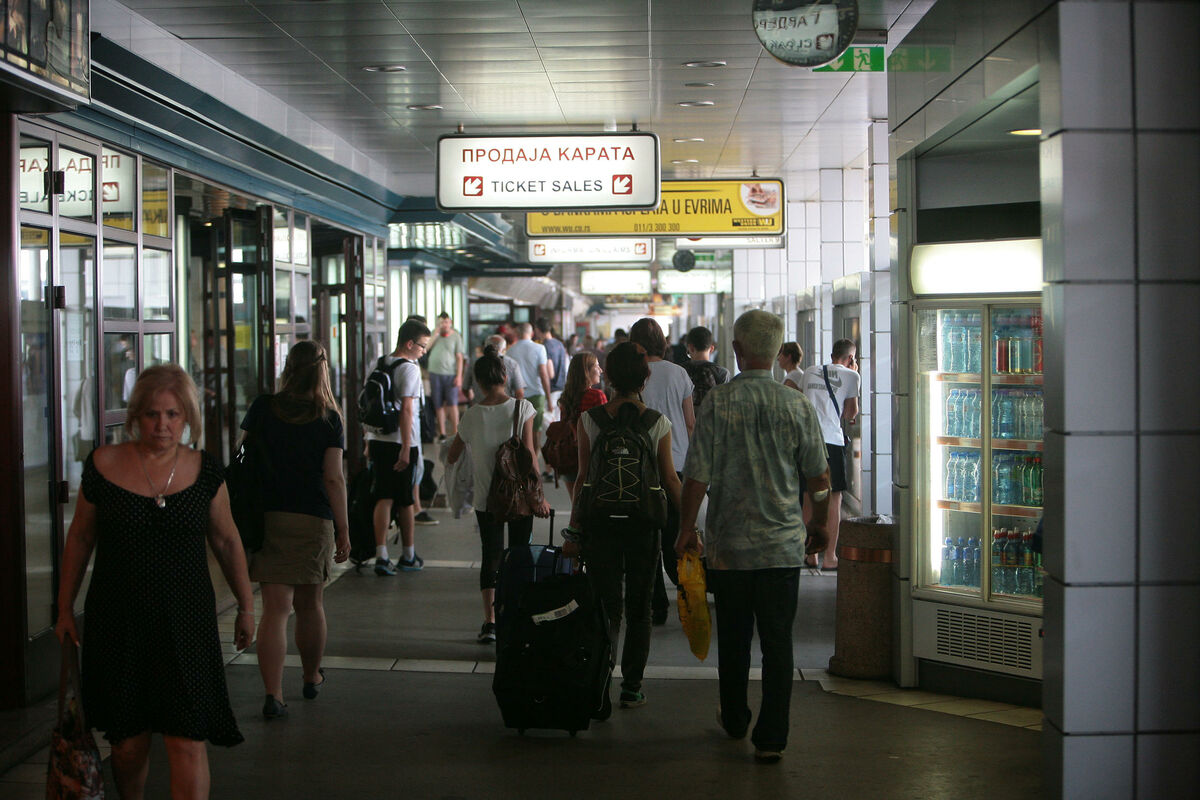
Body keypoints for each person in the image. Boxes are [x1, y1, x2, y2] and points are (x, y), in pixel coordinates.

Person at [55, 364, 255, 799]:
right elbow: (80, 538)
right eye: (152, 414)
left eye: (172, 414)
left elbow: (227, 540)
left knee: (187, 741)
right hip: (119, 623)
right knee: (127, 746)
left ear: (187, 418)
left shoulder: (205, 471)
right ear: (135, 416)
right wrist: (64, 608)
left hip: (186, 625)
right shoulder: (103, 466)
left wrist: (246, 605)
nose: (162, 424)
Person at [675, 310, 831, 765]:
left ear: (737, 350)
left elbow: (697, 477)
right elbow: (819, 478)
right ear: (777, 350)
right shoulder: (796, 404)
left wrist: (686, 529)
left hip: (730, 549)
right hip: (782, 547)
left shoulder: (718, 402)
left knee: (735, 639)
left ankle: (736, 718)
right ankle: (772, 737)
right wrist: (820, 522)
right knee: (778, 642)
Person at [563, 342, 682, 710]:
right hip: (644, 524)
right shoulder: (657, 422)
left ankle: (600, 683)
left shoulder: (590, 420)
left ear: (610, 378)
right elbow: (669, 480)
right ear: (645, 379)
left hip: (600, 522)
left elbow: (583, 479)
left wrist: (574, 530)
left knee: (606, 607)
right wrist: (690, 525)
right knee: (640, 609)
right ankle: (632, 687)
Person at [240, 340, 350, 720]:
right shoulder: (329, 418)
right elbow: (333, 478)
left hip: (267, 517)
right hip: (312, 518)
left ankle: (273, 695)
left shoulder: (262, 407)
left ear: (288, 367)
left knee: (275, 610)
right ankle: (310, 676)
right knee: (310, 605)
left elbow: (243, 456)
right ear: (323, 371)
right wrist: (343, 529)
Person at [447, 348, 549, 644]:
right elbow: (529, 455)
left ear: (478, 382)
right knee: (519, 555)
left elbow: (453, 455)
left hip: (486, 498)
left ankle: (490, 622)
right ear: (505, 377)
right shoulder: (522, 408)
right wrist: (539, 496)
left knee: (490, 556)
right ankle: (516, 615)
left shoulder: (471, 415)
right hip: (519, 496)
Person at [628, 317, 694, 625]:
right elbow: (690, 422)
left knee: (645, 539)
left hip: (640, 467)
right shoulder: (679, 373)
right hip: (677, 464)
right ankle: (687, 596)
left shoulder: (633, 373)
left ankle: (656, 604)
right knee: (674, 534)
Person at [365, 318, 431, 575]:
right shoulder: (410, 369)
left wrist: (367, 440)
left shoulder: (379, 363)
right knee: (404, 500)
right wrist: (405, 447)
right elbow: (407, 410)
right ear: (409, 344)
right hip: (402, 442)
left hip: (378, 439)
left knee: (383, 497)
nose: (424, 351)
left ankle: (381, 555)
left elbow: (369, 405)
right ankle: (408, 554)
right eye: (422, 346)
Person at [800, 338, 860, 570]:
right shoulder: (852, 376)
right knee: (834, 499)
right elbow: (850, 413)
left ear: (832, 354)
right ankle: (830, 557)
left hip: (807, 440)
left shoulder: (810, 371)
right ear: (851, 358)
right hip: (832, 442)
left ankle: (811, 554)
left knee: (808, 497)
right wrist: (853, 373)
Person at [554, 351, 607, 498]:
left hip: (569, 457)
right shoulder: (597, 396)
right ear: (586, 371)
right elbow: (605, 428)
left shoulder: (566, 398)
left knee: (576, 504)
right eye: (597, 366)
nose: (601, 370)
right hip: (592, 458)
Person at [505, 322, 552, 451]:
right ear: (531, 333)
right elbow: (543, 374)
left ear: (517, 334)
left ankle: (521, 456)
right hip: (537, 394)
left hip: (517, 396)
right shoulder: (539, 348)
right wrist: (548, 398)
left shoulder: (510, 351)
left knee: (519, 430)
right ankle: (533, 456)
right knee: (536, 430)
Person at [426, 312, 466, 442]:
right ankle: (442, 433)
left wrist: (459, 376)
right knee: (438, 404)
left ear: (450, 323)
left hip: (450, 374)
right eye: (441, 322)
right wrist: (435, 334)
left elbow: (459, 357)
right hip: (434, 373)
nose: (444, 325)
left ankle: (455, 432)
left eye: (446, 322)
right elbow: (426, 348)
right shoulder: (434, 334)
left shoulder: (456, 337)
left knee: (452, 403)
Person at [683, 326, 731, 409]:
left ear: (690, 348)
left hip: (684, 416)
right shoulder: (722, 373)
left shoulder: (680, 371)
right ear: (712, 348)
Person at [534, 317, 568, 426]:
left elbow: (550, 373)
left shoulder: (545, 346)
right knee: (558, 422)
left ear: (538, 330)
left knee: (547, 425)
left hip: (551, 391)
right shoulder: (559, 344)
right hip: (561, 389)